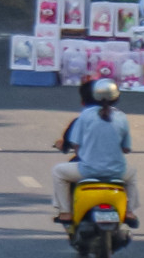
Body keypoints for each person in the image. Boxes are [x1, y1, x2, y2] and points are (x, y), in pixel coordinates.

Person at [53, 79, 139, 226]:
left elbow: (75, 143)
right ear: (117, 97)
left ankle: (65, 213)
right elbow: (126, 148)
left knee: (58, 172)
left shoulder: (85, 116)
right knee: (132, 174)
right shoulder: (122, 117)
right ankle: (130, 212)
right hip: (117, 171)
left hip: (87, 170)